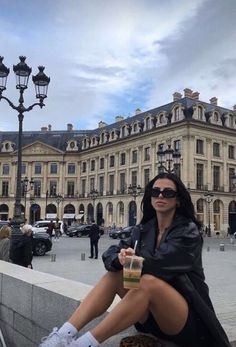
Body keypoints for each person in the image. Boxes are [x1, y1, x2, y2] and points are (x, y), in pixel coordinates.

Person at [39, 172, 230, 347]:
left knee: (148, 282)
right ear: (150, 197)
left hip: (186, 321)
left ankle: (85, 344)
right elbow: (111, 252)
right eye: (156, 192)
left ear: (178, 200)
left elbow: (158, 265)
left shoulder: (188, 231)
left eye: (168, 193)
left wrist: (130, 258)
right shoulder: (144, 229)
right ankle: (63, 335)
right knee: (115, 275)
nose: (161, 196)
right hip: (151, 318)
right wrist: (119, 258)